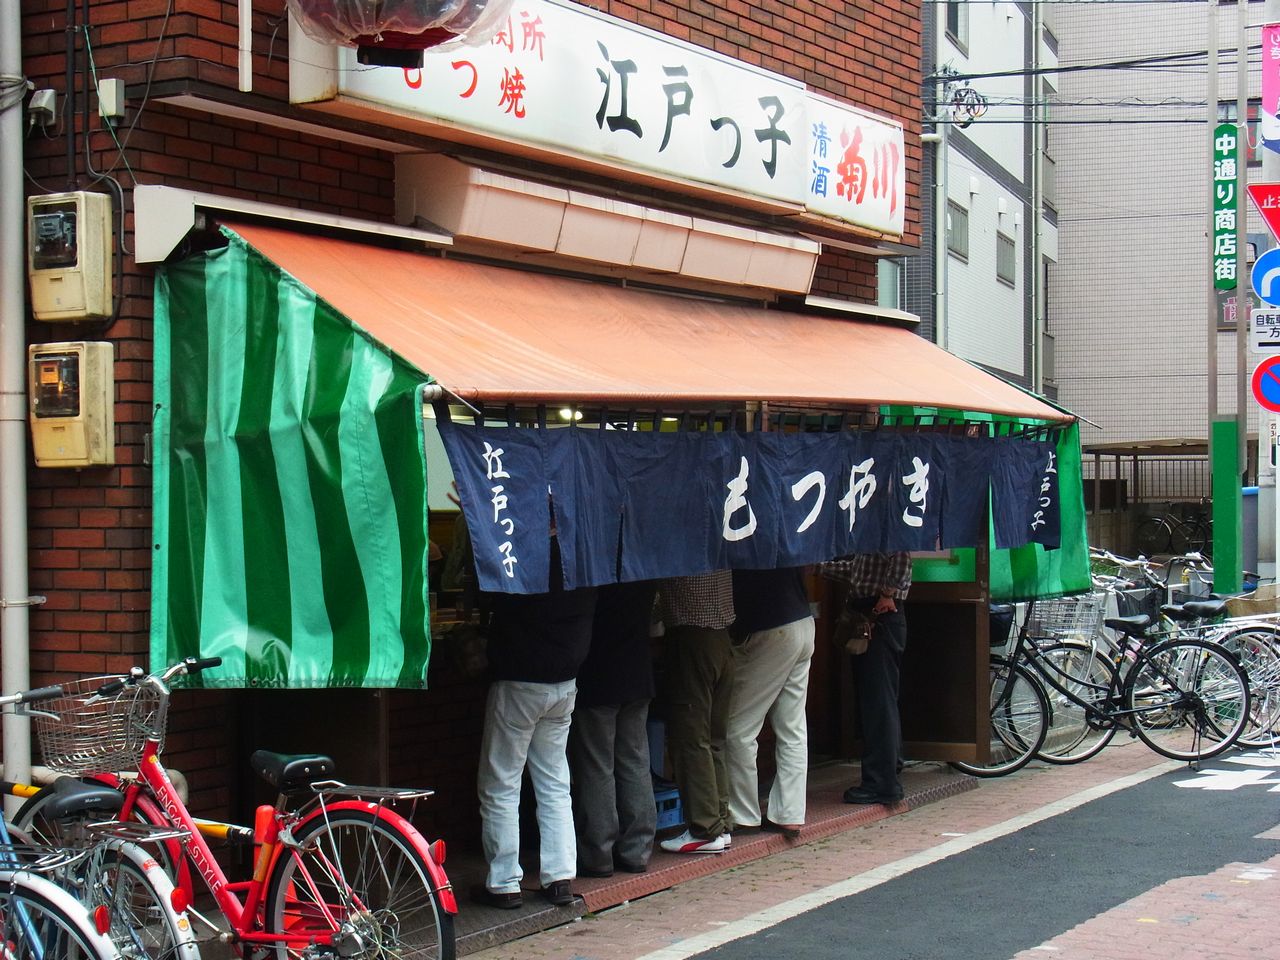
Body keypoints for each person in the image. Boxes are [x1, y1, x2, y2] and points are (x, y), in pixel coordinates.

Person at [474, 536, 597, 910]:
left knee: (501, 783)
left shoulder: (521, 554)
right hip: (565, 682)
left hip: (519, 680)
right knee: (554, 782)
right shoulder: (584, 558)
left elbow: (493, 594)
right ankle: (560, 878)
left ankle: (504, 882)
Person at [569, 580, 659, 877]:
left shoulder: (592, 571)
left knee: (597, 766)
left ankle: (598, 854)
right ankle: (637, 849)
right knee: (635, 761)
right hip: (637, 673)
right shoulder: (642, 565)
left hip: (598, 677)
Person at [723, 567, 815, 838]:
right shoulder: (783, 526)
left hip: (770, 628)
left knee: (737, 728)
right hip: (803, 620)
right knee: (793, 728)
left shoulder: (740, 532)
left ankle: (743, 814)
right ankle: (789, 813)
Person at [656, 571, 735, 854]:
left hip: (691, 636)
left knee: (691, 737)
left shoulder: (682, 543)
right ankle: (720, 822)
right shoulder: (718, 534)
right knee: (714, 738)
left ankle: (704, 829)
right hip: (722, 636)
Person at [824, 551, 911, 805]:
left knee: (878, 701)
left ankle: (881, 783)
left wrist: (888, 593)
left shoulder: (885, 520)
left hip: (879, 615)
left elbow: (902, 557)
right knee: (881, 699)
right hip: (875, 612)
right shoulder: (871, 526)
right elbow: (859, 572)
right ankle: (888, 769)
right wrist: (819, 566)